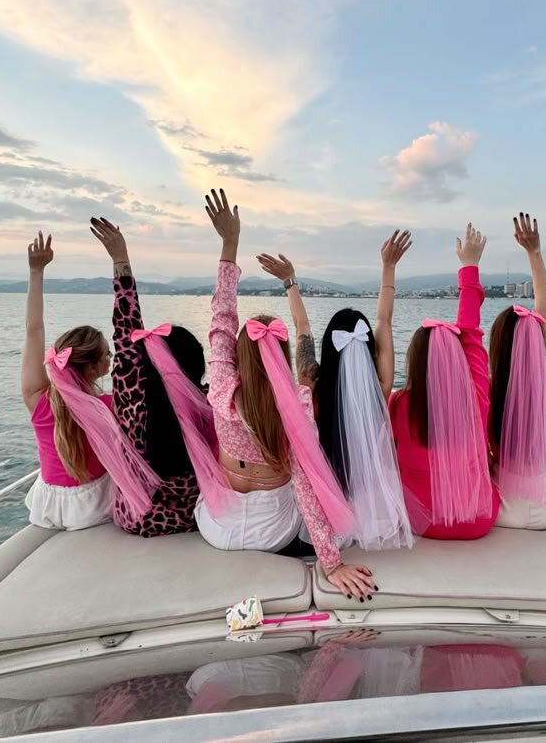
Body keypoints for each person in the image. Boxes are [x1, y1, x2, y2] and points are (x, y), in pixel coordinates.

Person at [196, 188, 376, 601]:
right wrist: (332, 564)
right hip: (272, 533)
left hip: (219, 528)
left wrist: (229, 243)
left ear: (238, 353)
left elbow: (221, 319)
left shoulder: (221, 386)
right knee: (303, 491)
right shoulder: (297, 404)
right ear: (281, 355)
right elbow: (308, 488)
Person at [257, 235, 412, 551]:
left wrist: (290, 281)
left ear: (330, 345)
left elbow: (302, 327)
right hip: (375, 513)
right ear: (367, 346)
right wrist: (388, 266)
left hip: (331, 514)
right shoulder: (380, 386)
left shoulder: (311, 382)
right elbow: (384, 320)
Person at [90, 218, 230, 536]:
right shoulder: (206, 402)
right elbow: (224, 336)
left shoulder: (132, 396)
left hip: (137, 516)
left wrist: (120, 259)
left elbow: (125, 333)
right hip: (194, 515)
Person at [21, 232, 159, 529]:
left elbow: (33, 330)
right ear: (95, 367)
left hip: (48, 505)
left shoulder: (37, 399)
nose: (111, 358)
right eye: (107, 354)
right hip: (92, 506)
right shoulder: (109, 405)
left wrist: (36, 271)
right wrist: (120, 258)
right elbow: (132, 346)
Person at [389, 223, 499, 539]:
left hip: (417, 521)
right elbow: (471, 333)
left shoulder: (399, 403)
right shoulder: (477, 397)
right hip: (475, 520)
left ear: (414, 362)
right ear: (457, 358)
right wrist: (469, 267)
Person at [489, 213, 546, 529]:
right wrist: (534, 252)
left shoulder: (489, 391)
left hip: (504, 510)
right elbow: (544, 307)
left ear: (497, 345)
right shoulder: (543, 376)